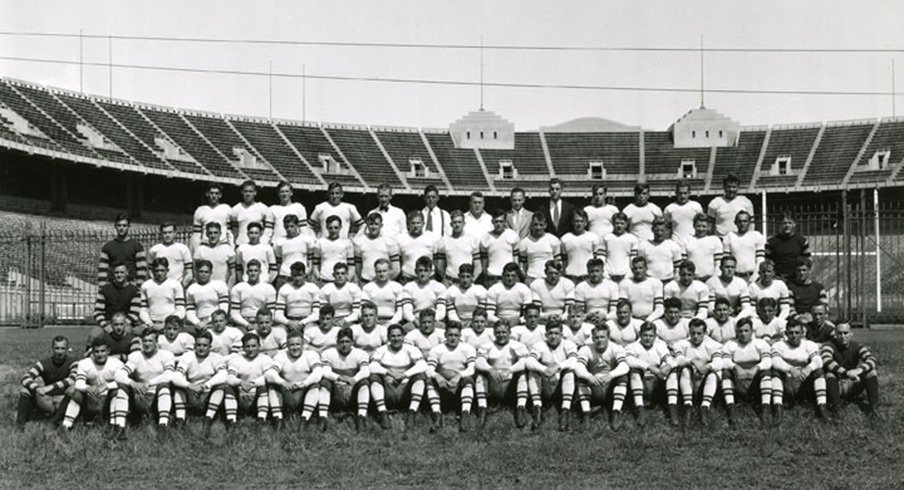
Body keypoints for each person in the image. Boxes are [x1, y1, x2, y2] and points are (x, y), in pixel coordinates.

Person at [112, 330, 177, 432]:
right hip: (140, 393)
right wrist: (132, 383)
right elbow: (118, 374)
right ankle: (120, 427)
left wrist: (149, 383)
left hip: (157, 394)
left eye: (150, 341)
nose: (147, 344)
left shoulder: (165, 355)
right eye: (144, 341)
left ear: (156, 343)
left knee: (164, 386)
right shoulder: (136, 356)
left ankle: (162, 426)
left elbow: (169, 375)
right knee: (122, 387)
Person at [369, 323, 429, 429]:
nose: (396, 339)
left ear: (403, 337)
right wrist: (389, 373)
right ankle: (383, 413)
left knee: (420, 376)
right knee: (374, 377)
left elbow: (423, 365)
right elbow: (372, 366)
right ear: (388, 338)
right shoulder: (382, 350)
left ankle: (412, 412)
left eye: (399, 336)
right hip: (388, 389)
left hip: (406, 390)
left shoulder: (411, 349)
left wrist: (405, 374)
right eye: (393, 336)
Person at [770, 319, 830, 423]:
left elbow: (818, 360)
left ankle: (822, 408)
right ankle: (778, 409)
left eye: (797, 332)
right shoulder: (779, 345)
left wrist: (808, 368)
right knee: (775, 372)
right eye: (791, 333)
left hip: (803, 383)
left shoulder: (809, 344)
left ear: (802, 334)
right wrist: (790, 369)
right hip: (787, 384)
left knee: (819, 371)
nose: (794, 335)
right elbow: (775, 361)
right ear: (786, 334)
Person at [524, 318, 578, 431]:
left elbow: (573, 361)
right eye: (551, 333)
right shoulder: (539, 345)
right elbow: (529, 361)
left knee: (570, 372)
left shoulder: (569, 344)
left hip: (561, 387)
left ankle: (565, 410)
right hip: (546, 385)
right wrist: (545, 370)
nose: (553, 336)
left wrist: (557, 368)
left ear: (562, 335)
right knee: (533, 371)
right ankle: (537, 408)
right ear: (546, 335)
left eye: (556, 333)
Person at [574, 324, 630, 430]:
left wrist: (610, 375)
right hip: (594, 386)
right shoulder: (586, 349)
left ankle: (615, 413)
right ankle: (586, 414)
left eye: (602, 337)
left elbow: (624, 366)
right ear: (593, 338)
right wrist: (589, 376)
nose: (599, 340)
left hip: (610, 387)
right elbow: (578, 367)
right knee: (581, 379)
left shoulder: (616, 348)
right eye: (596, 337)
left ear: (608, 337)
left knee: (623, 378)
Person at [474, 321, 530, 428]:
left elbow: (524, 362)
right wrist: (490, 369)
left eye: (504, 332)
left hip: (511, 385)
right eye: (498, 332)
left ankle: (520, 408)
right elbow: (478, 362)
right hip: (494, 384)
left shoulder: (517, 345)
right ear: (494, 333)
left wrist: (510, 370)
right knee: (480, 376)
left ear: (509, 332)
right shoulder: (488, 346)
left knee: (522, 374)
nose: (501, 335)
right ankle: (482, 409)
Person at [60, 339, 124, 431]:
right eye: (97, 351)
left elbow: (123, 380)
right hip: (91, 398)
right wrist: (88, 388)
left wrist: (106, 386)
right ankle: (66, 425)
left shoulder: (116, 363)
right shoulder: (84, 363)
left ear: (108, 351)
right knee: (76, 394)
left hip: (108, 401)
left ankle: (115, 426)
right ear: (92, 352)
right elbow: (79, 383)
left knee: (117, 392)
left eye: (103, 351)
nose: (100, 354)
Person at [820, 322, 880, 419]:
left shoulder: (857, 346)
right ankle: (836, 407)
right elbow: (827, 360)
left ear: (851, 333)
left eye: (845, 333)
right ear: (835, 333)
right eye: (839, 333)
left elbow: (872, 359)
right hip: (836, 385)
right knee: (829, 374)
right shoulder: (828, 345)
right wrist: (846, 372)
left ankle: (873, 407)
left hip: (852, 384)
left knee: (871, 372)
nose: (843, 336)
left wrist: (859, 370)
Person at [425, 322, 478, 432]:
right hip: (443, 386)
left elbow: (472, 368)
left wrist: (459, 376)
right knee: (430, 381)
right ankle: (437, 415)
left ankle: (465, 414)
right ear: (445, 335)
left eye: (456, 335)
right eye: (450, 335)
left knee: (469, 380)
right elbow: (429, 369)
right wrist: (437, 376)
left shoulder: (468, 348)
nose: (453, 338)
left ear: (460, 336)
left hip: (460, 386)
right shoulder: (437, 349)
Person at [671, 318, 724, 427]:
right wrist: (692, 361)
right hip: (688, 382)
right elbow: (678, 360)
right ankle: (688, 406)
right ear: (689, 332)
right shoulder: (682, 344)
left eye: (699, 333)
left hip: (705, 382)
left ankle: (704, 407)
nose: (695, 336)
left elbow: (719, 362)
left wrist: (707, 366)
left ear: (704, 333)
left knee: (713, 374)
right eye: (693, 333)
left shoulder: (713, 345)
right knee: (685, 369)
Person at [720, 317, 773, 425]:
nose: (743, 334)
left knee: (766, 371)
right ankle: (731, 407)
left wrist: (756, 368)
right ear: (736, 332)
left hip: (755, 382)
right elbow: (724, 361)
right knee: (726, 372)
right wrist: (737, 367)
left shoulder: (760, 343)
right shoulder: (730, 344)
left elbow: (767, 361)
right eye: (740, 331)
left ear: (752, 331)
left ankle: (765, 408)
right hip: (738, 380)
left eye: (746, 331)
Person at [171, 330, 228, 429]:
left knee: (221, 386)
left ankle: (208, 418)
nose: (201, 348)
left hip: (208, 394)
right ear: (194, 345)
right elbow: (176, 376)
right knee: (178, 386)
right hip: (191, 392)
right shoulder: (188, 356)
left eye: (205, 345)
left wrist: (207, 385)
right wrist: (190, 386)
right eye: (199, 345)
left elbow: (223, 374)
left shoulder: (216, 357)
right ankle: (180, 419)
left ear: (210, 346)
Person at [266, 331, 323, 429]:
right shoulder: (281, 356)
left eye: (298, 344)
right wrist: (283, 382)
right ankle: (278, 419)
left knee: (316, 384)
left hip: (304, 392)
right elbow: (269, 374)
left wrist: (304, 383)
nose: (295, 347)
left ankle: (305, 418)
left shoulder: (310, 354)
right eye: (292, 345)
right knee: (273, 384)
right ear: (287, 345)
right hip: (287, 391)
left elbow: (318, 372)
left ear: (303, 345)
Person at [16, 336, 77, 427]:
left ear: (67, 349)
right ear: (51, 349)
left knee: (73, 389)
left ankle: (57, 421)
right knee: (25, 391)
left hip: (63, 400)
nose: (60, 352)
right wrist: (37, 388)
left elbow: (72, 379)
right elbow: (25, 378)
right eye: (57, 348)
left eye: (63, 348)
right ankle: (20, 424)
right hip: (47, 400)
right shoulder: (43, 363)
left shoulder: (73, 363)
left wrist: (49, 388)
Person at [626, 322, 679, 426]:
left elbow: (670, 359)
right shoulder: (632, 346)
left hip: (657, 384)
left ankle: (672, 408)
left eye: (651, 336)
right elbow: (629, 360)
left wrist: (668, 366)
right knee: (634, 371)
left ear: (655, 336)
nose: (648, 338)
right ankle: (640, 408)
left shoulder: (660, 345)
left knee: (672, 372)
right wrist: (649, 366)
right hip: (641, 383)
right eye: (645, 335)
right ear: (640, 335)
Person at [319, 328, 372, 431]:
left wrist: (354, 379)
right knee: (325, 382)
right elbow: (325, 371)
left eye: (347, 342)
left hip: (353, 392)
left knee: (364, 382)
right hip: (336, 392)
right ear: (337, 342)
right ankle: (323, 417)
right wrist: (339, 377)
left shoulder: (361, 354)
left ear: (352, 342)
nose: (344, 345)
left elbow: (366, 371)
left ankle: (361, 417)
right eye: (341, 342)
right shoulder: (328, 353)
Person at [224, 333, 272, 425]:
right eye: (247, 346)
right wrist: (240, 382)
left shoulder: (266, 359)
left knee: (265, 387)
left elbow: (268, 376)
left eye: (253, 346)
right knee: (228, 387)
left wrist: (252, 384)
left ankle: (261, 420)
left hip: (257, 396)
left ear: (259, 345)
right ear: (243, 347)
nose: (250, 349)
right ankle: (231, 421)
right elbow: (229, 378)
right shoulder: (236, 359)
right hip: (241, 395)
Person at [91, 262, 141, 344]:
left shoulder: (134, 291)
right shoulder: (105, 290)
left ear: (127, 273)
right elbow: (97, 312)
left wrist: (122, 325)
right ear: (113, 274)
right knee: (93, 335)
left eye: (122, 272)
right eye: (117, 272)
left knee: (129, 334)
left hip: (126, 323)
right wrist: (105, 326)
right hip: (108, 322)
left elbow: (134, 313)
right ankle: (88, 355)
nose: (119, 275)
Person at [98, 213, 147, 286]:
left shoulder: (137, 247)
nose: (121, 228)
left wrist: (138, 288)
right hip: (112, 285)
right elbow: (102, 270)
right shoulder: (108, 247)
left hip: (131, 285)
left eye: (124, 225)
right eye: (119, 225)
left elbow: (142, 270)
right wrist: (102, 289)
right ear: (115, 226)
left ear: (128, 226)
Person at [139, 258, 186, 333]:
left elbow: (181, 310)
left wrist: (167, 324)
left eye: (162, 270)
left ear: (167, 270)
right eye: (157, 271)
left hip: (171, 326)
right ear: (153, 271)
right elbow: (143, 310)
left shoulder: (175, 285)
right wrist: (150, 323)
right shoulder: (146, 285)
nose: (159, 273)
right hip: (151, 324)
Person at [229, 259, 277, 331]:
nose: (253, 273)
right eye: (251, 271)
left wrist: (260, 324)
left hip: (261, 323)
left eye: (255, 270)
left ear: (260, 272)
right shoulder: (238, 288)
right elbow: (234, 314)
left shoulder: (268, 288)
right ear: (247, 272)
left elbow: (271, 313)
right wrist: (247, 324)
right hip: (242, 323)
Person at [354, 212, 401, 283]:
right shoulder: (359, 242)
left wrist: (385, 281)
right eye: (371, 224)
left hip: (385, 283)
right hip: (365, 282)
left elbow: (396, 269)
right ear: (367, 225)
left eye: (376, 224)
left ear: (381, 225)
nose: (373, 227)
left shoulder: (389, 241)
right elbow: (358, 267)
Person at [184, 259, 230, 332]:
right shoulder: (191, 289)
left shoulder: (219, 285)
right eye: (201, 271)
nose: (203, 274)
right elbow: (190, 312)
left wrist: (208, 321)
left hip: (216, 321)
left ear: (211, 273)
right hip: (199, 323)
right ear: (196, 272)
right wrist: (198, 323)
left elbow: (224, 308)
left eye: (206, 272)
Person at [274, 261, 321, 331]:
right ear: (291, 275)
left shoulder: (313, 288)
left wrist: (303, 322)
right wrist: (288, 322)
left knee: (311, 330)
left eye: (300, 275)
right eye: (295, 275)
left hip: (308, 322)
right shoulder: (285, 289)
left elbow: (317, 313)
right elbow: (277, 315)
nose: (297, 278)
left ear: (305, 275)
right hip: (290, 321)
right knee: (279, 331)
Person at [437, 210, 481, 284]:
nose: (457, 225)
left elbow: (478, 266)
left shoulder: (472, 240)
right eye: (455, 222)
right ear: (451, 224)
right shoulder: (444, 240)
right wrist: (445, 279)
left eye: (459, 222)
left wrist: (471, 280)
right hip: (450, 282)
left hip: (467, 282)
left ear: (464, 224)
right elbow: (439, 265)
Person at [361, 258, 408, 327]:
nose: (382, 274)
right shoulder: (368, 288)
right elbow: (363, 310)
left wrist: (390, 323)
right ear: (375, 271)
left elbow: (400, 312)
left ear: (389, 271)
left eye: (384, 271)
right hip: (372, 322)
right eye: (379, 271)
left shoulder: (397, 287)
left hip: (392, 321)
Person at [396, 211, 440, 283]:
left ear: (423, 224)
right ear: (408, 224)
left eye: (418, 223)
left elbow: (436, 260)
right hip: (407, 279)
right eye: (413, 223)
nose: (416, 226)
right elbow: (399, 260)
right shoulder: (401, 238)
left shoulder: (432, 237)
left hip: (429, 279)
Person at [273, 214, 316, 290]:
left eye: (291, 226)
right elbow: (279, 262)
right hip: (285, 277)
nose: (289, 229)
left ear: (297, 225)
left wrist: (307, 273)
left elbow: (310, 260)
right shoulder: (279, 242)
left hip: (302, 276)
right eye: (286, 227)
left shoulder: (307, 239)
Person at [765, 212, 811, 281]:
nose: (787, 225)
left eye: (789, 223)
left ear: (794, 224)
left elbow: (808, 261)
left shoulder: (802, 241)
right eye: (784, 223)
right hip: (777, 279)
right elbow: (767, 262)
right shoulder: (771, 242)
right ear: (780, 224)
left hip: (796, 279)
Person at [559, 208, 602, 282]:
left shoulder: (593, 237)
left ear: (585, 223)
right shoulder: (565, 239)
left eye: (581, 221)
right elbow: (564, 261)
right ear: (572, 222)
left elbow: (596, 259)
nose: (579, 224)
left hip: (587, 276)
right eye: (576, 221)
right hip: (570, 276)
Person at [637, 217, 685, 282]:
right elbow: (640, 266)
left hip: (668, 282)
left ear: (667, 231)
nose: (659, 233)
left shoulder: (673, 246)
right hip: (650, 282)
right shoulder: (644, 246)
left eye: (662, 230)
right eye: (657, 230)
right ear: (652, 230)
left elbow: (677, 268)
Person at [480, 209, 520, 286]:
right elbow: (484, 264)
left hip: (509, 278)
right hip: (492, 278)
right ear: (492, 222)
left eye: (501, 221)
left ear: (505, 222)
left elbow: (516, 260)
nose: (498, 224)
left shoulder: (513, 236)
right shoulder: (485, 238)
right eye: (496, 221)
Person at [618, 256, 664, 323]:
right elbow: (622, 307)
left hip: (651, 320)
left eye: (640, 268)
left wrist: (648, 320)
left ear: (646, 268)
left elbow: (660, 309)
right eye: (635, 268)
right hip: (631, 321)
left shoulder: (655, 283)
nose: (638, 271)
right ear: (632, 270)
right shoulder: (625, 283)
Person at [518, 214, 562, 283]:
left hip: (549, 278)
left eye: (541, 225)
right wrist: (525, 278)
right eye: (535, 225)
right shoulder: (524, 242)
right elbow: (522, 265)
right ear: (531, 225)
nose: (538, 228)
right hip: (531, 277)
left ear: (545, 225)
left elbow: (558, 262)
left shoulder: (553, 240)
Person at [706, 255, 753, 320]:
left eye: (732, 267)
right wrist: (723, 314)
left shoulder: (741, 283)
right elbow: (710, 307)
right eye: (727, 267)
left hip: (734, 316)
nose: (730, 270)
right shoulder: (711, 282)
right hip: (716, 316)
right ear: (720, 268)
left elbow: (747, 308)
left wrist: (736, 320)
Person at [723, 211, 765, 282]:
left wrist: (756, 275)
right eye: (740, 221)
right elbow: (726, 260)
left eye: (745, 221)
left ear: (749, 222)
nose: (742, 224)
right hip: (734, 277)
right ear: (735, 222)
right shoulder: (729, 236)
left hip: (752, 277)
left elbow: (760, 258)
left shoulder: (756, 235)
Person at [148, 222, 193, 287]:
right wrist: (156, 285)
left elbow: (189, 272)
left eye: (170, 232)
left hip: (177, 286)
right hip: (160, 286)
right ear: (161, 234)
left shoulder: (183, 249)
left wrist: (181, 286)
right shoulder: (154, 250)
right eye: (165, 233)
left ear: (175, 233)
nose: (167, 235)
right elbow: (150, 271)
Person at [230, 180, 273, 246]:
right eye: (245, 191)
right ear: (242, 192)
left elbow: (268, 229)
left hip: (258, 245)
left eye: (250, 191)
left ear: (255, 193)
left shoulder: (263, 208)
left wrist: (264, 241)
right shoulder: (235, 209)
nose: (248, 194)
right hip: (241, 244)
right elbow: (234, 230)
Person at [682, 213, 723, 282]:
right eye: (698, 226)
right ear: (693, 226)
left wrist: (714, 277)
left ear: (708, 227)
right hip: (692, 279)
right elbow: (684, 262)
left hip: (711, 279)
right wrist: (690, 275)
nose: (701, 229)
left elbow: (718, 263)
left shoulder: (715, 240)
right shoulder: (687, 240)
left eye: (704, 226)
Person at [191, 183, 232, 250]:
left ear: (220, 195)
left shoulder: (226, 209)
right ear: (207, 194)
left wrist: (231, 248)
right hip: (206, 246)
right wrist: (196, 251)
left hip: (222, 245)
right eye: (211, 193)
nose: (214, 196)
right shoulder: (200, 210)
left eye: (216, 193)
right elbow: (196, 235)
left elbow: (229, 233)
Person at [600, 212, 638, 282]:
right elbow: (601, 258)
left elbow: (633, 259)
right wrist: (605, 275)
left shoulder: (632, 239)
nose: (619, 226)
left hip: (626, 276)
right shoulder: (606, 238)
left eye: (622, 223)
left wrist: (628, 276)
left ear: (626, 224)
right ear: (613, 224)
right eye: (617, 223)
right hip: (608, 277)